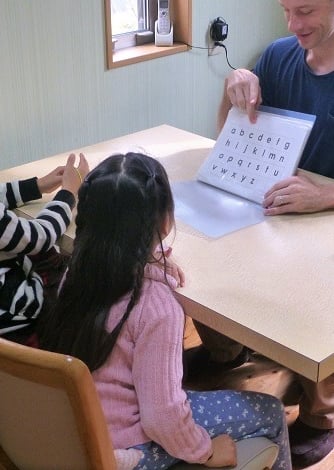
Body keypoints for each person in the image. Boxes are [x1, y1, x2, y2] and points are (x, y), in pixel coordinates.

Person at [38, 152, 292, 469]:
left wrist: (154, 260)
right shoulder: (156, 306)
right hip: (124, 451)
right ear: (165, 221)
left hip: (77, 429)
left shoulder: (75, 275)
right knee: (270, 412)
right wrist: (207, 451)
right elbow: (161, 416)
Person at [188, 0, 334, 467]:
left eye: (306, 10)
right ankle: (227, 351)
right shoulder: (276, 56)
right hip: (274, 209)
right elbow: (227, 139)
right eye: (287, 10)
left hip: (322, 218)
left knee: (318, 282)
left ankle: (322, 410)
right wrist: (231, 90)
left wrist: (327, 196)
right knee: (195, 246)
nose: (294, 25)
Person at [0, 152, 89, 343]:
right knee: (81, 281)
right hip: (16, 310)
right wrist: (68, 193)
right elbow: (40, 237)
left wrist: (37, 185)